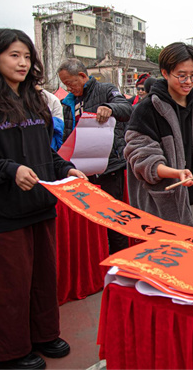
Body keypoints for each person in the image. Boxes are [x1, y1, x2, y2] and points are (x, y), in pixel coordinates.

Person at [0, 28, 88, 369]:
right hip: (3, 213)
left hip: (41, 205)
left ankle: (43, 335)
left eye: (27, 56)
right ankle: (10, 353)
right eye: (14, 55)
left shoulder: (35, 100)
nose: (23, 63)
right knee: (9, 287)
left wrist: (67, 169)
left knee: (43, 280)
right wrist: (9, 170)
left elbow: (44, 152)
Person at [124, 43, 193, 230]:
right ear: (165, 73)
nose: (188, 81)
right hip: (163, 210)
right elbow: (141, 157)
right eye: (181, 75)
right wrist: (176, 173)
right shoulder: (147, 110)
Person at [58, 58, 133, 254]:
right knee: (91, 222)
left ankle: (119, 261)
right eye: (65, 85)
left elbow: (126, 109)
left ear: (82, 76)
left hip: (109, 168)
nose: (68, 88)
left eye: (70, 83)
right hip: (81, 170)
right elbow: (68, 135)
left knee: (114, 219)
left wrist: (110, 108)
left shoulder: (105, 90)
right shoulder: (68, 103)